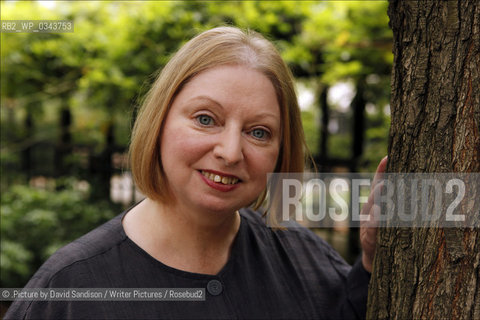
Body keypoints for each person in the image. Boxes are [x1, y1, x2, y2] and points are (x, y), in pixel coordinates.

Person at [5, 26, 386, 319]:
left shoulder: (300, 255)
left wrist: (371, 262)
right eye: (206, 119)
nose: (230, 151)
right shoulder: (70, 290)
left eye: (259, 132)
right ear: (160, 121)